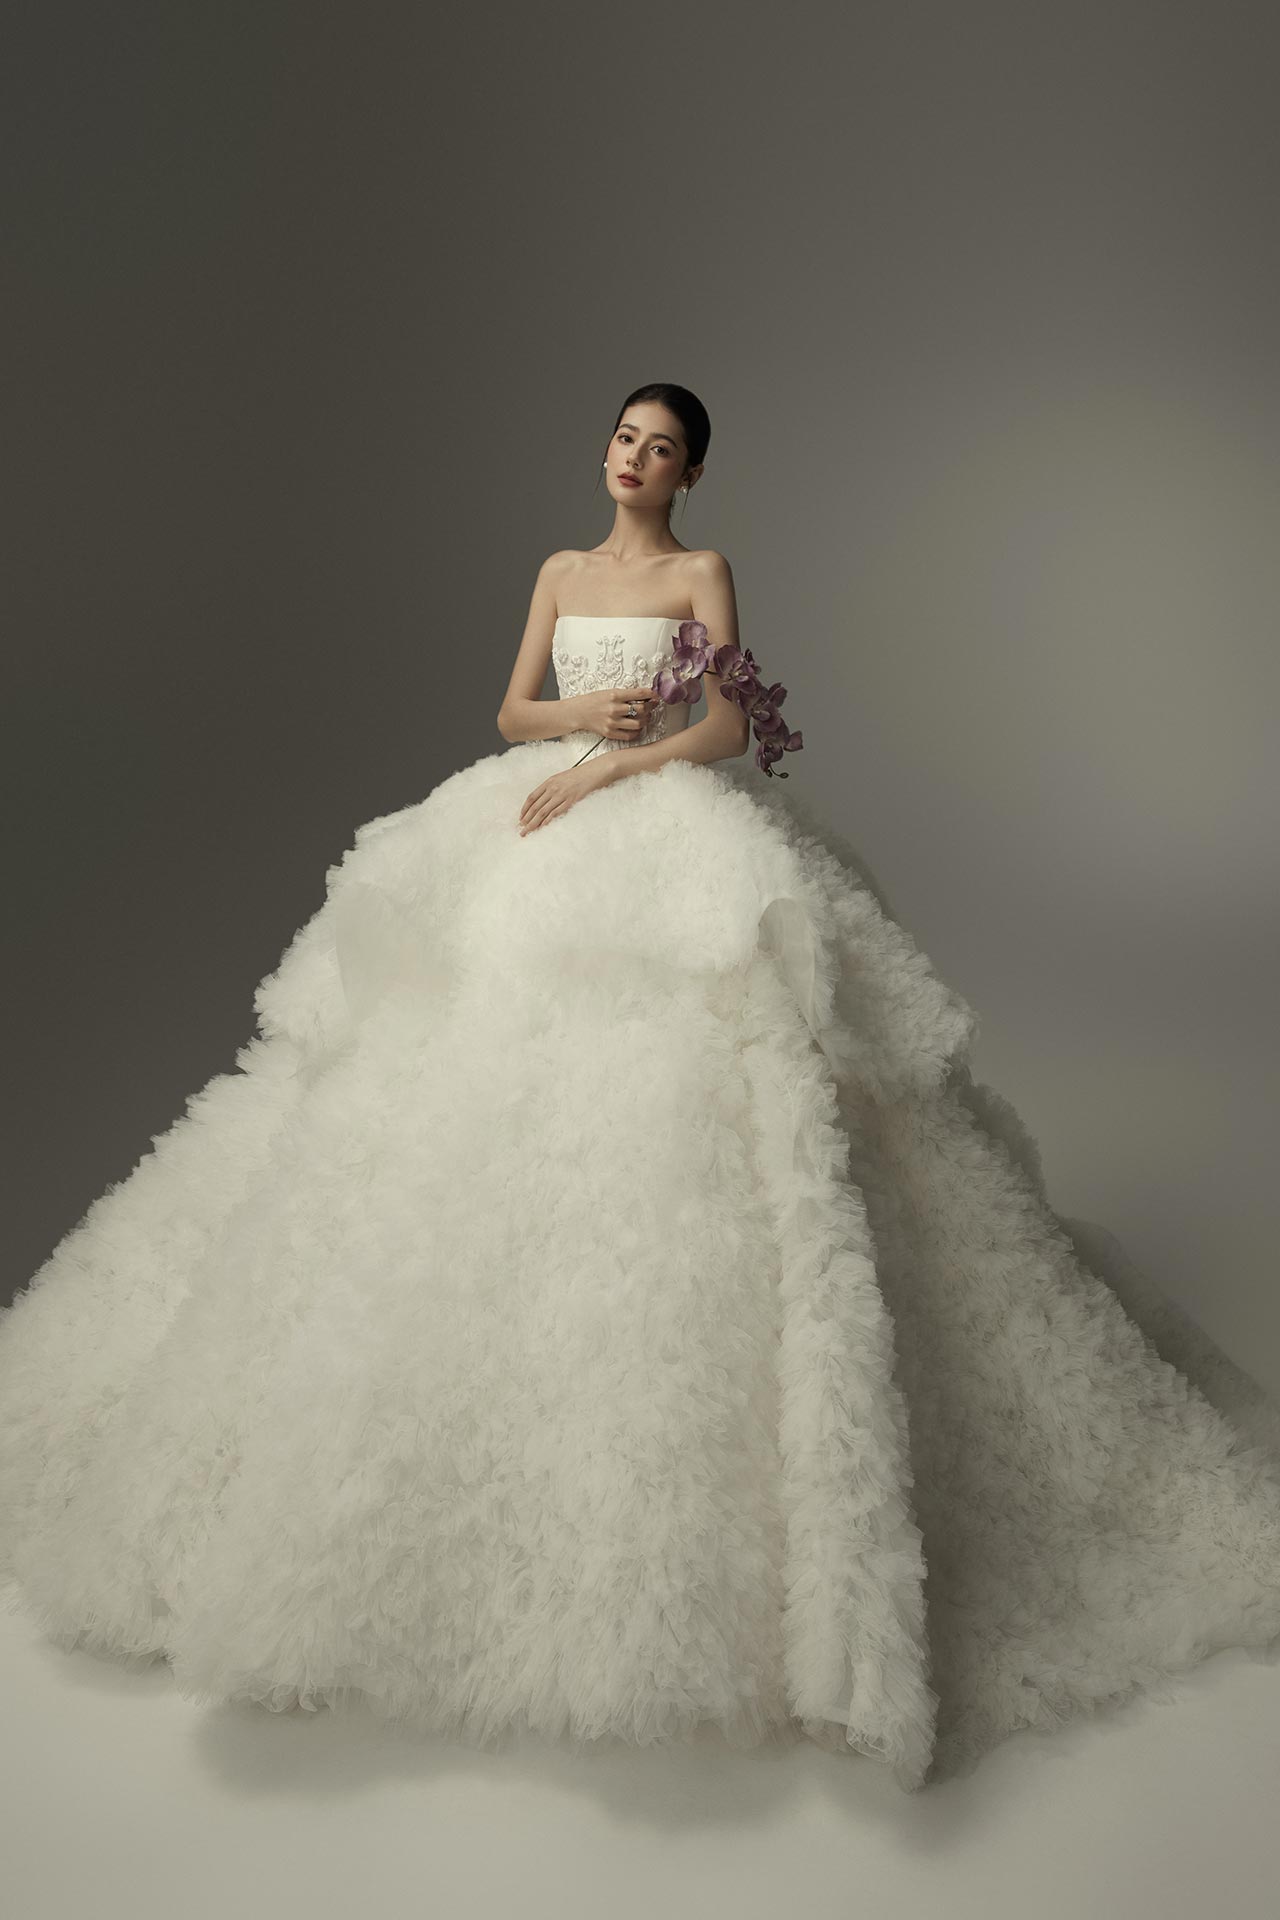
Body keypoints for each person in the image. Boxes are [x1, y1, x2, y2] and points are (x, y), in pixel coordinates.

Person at [2, 382, 1278, 1795]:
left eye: (662, 449)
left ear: (690, 473)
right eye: (624, 439)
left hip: (654, 810)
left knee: (734, 1087)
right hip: (544, 807)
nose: (636, 460)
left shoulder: (700, 571)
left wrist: (623, 758)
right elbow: (510, 707)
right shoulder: (561, 569)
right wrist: (574, 723)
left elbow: (728, 728)